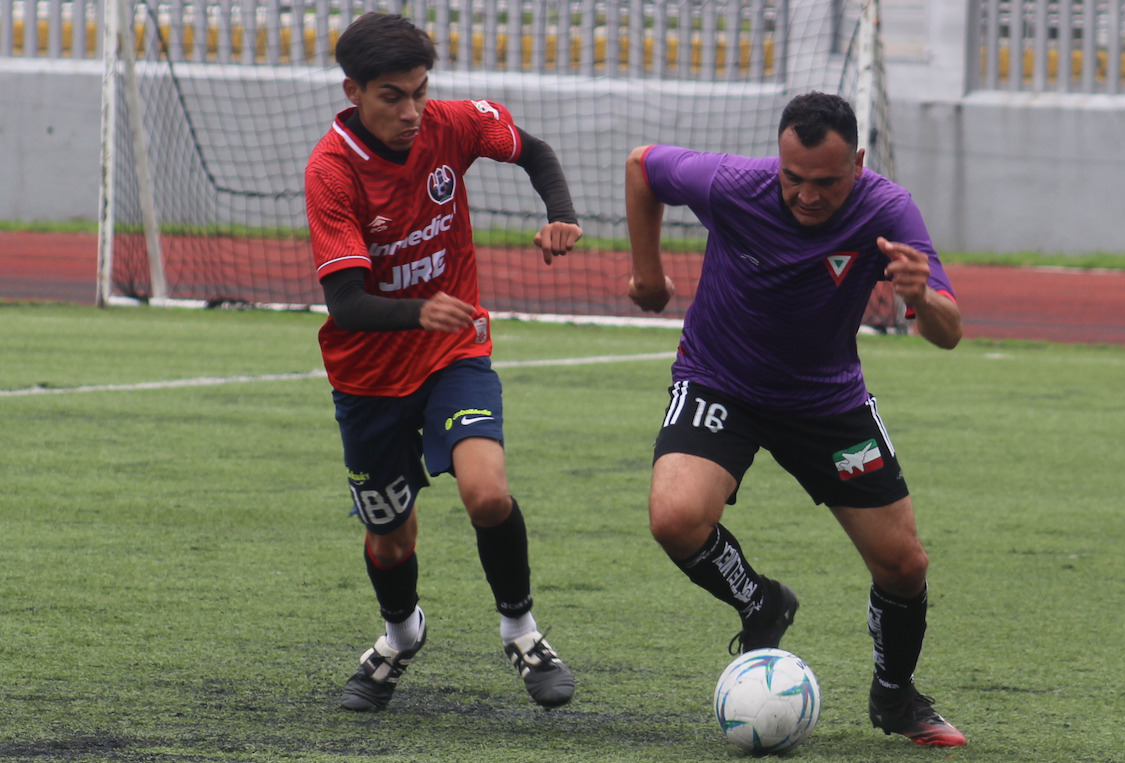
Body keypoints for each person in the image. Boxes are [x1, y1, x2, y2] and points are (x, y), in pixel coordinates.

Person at [624, 91, 967, 747]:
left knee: (903, 563)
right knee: (674, 517)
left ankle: (895, 695)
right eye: (794, 179)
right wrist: (648, 276)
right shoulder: (731, 184)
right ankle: (760, 601)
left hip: (826, 401)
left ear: (858, 163)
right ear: (777, 161)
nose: (807, 196)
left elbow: (948, 332)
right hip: (720, 380)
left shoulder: (887, 209)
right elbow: (643, 166)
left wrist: (923, 296)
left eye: (827, 182)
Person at [304, 12, 581, 713]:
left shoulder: (450, 125)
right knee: (391, 541)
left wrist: (560, 212)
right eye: (392, 95)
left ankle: (522, 630)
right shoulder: (332, 171)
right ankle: (401, 636)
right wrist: (417, 309)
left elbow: (536, 151)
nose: (411, 110)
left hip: (453, 350)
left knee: (486, 490)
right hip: (367, 376)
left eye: (420, 91)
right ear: (354, 92)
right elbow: (345, 301)